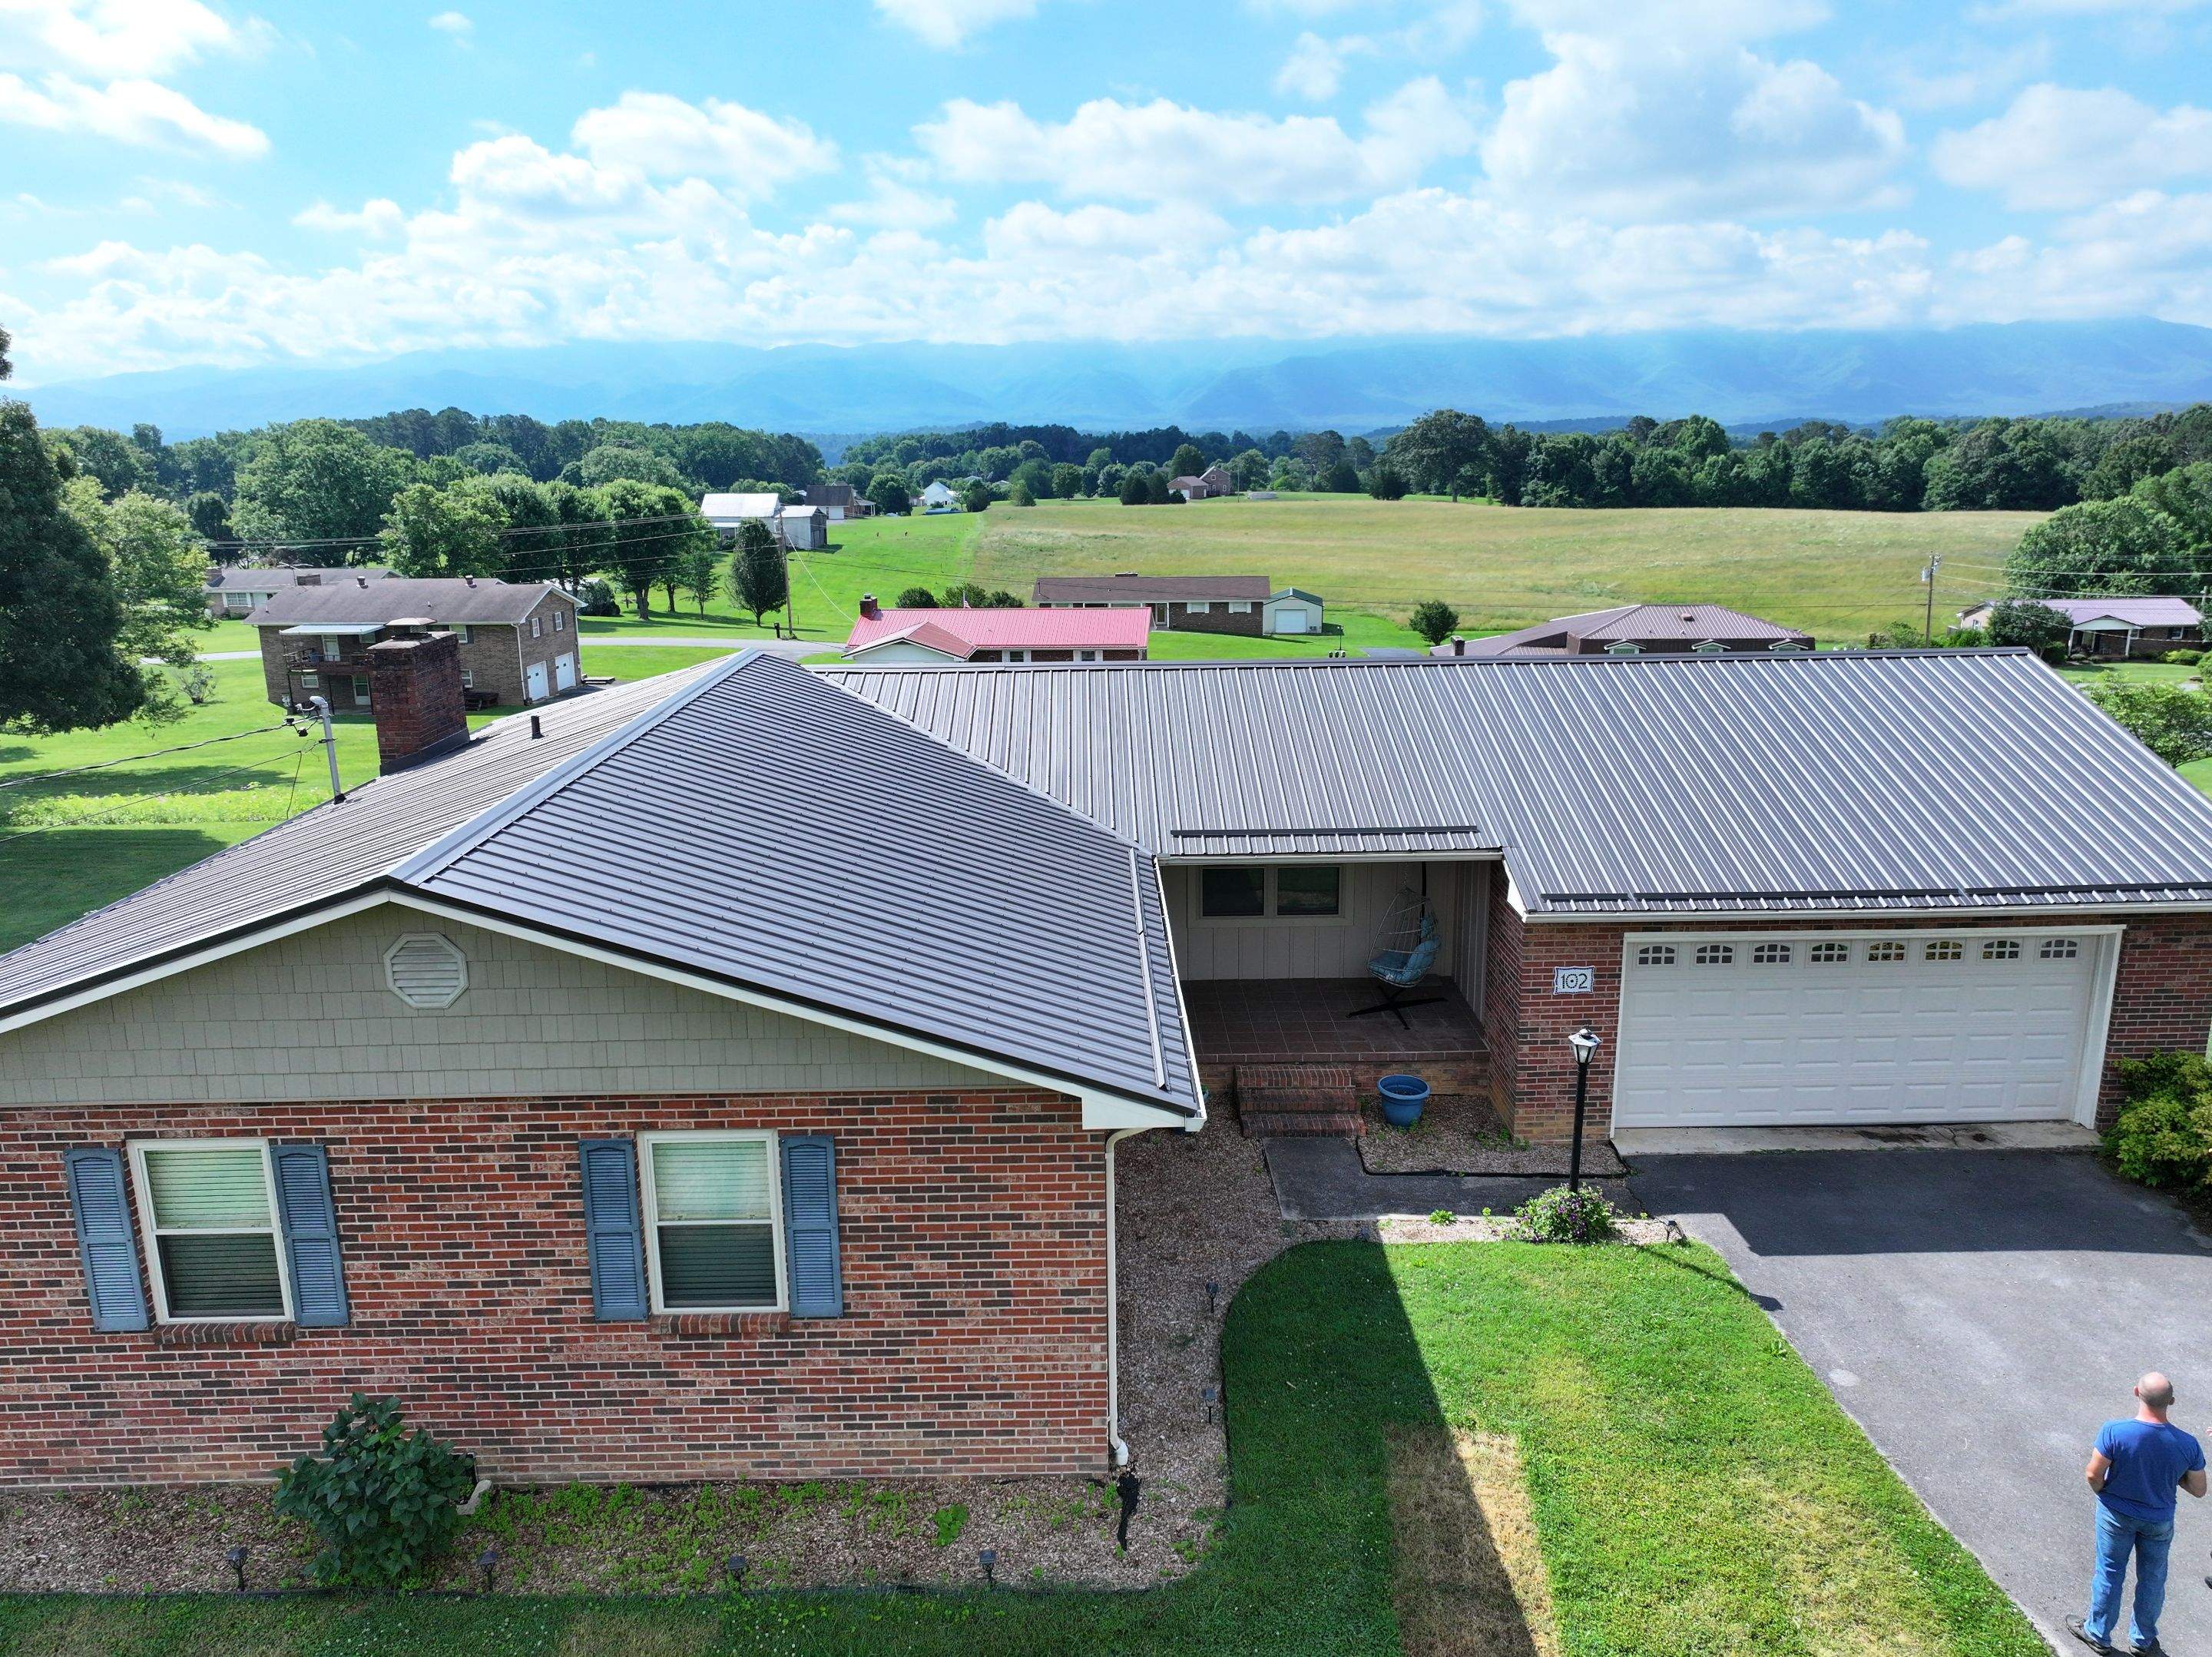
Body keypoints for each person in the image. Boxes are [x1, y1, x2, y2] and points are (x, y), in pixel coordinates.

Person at [2069, 1372, 2207, 1655]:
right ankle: (2143, 1642)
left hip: (2115, 1514)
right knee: (2153, 1579)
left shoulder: (2115, 1431)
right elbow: (2199, 1489)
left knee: (2110, 1572)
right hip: (2158, 1520)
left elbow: (2093, 1474)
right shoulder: (2187, 1443)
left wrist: (2106, 1493)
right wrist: (2174, 1476)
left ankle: (2098, 1633)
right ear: (2172, 1401)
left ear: (2136, 1393)